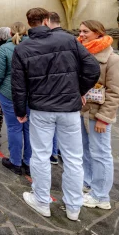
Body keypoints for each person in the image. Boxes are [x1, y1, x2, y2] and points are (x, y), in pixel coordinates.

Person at [11, 7, 100, 221]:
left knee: (40, 156)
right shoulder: (67, 41)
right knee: (73, 158)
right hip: (68, 108)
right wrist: (79, 91)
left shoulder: (22, 49)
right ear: (46, 21)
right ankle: (73, 207)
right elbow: (93, 69)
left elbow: (18, 85)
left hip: (41, 109)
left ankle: (42, 201)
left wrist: (20, 111)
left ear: (29, 22)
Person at [78, 20, 119, 211]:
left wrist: (104, 119)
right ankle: (88, 183)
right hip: (83, 112)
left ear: (98, 33)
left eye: (85, 31)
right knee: (86, 151)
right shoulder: (83, 53)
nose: (81, 35)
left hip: (98, 115)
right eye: (80, 31)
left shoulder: (114, 60)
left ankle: (101, 196)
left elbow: (116, 92)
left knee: (101, 154)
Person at [0, 22, 31, 175]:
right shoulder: (34, 47)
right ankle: (28, 162)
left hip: (9, 92)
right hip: (30, 93)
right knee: (28, 128)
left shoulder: (5, 48)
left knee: (14, 127)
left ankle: (15, 161)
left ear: (11, 33)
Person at [47, 11, 65, 165]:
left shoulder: (47, 40)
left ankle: (53, 153)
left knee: (51, 125)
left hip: (50, 92)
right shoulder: (73, 40)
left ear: (47, 21)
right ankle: (59, 151)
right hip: (66, 92)